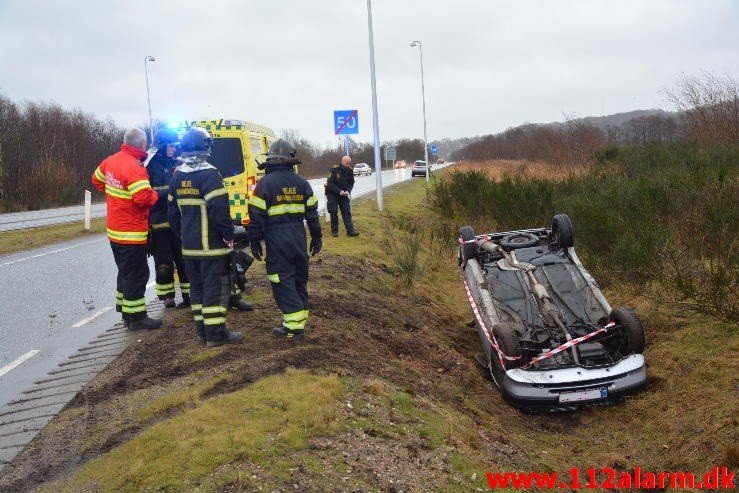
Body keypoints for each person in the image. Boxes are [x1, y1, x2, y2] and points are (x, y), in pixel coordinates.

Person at [167, 127, 244, 347]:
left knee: (197, 289)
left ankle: (202, 331)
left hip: (189, 248)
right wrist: (227, 235)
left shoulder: (177, 177)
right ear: (207, 147)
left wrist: (182, 235)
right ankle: (216, 334)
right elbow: (219, 209)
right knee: (215, 289)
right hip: (212, 247)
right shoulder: (210, 176)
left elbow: (172, 213)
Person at [247, 139, 322, 339]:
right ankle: (298, 320)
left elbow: (255, 217)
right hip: (298, 237)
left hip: (276, 239)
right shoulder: (302, 183)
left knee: (281, 280)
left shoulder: (264, 185)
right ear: (291, 160)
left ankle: (294, 327)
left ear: (270, 159)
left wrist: (254, 241)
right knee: (299, 279)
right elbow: (313, 214)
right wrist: (317, 237)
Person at [91, 128, 162, 331]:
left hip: (115, 230)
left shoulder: (111, 160)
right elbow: (143, 198)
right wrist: (156, 196)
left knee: (125, 272)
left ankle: (126, 312)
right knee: (137, 275)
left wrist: (116, 196)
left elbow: (96, 179)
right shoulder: (134, 167)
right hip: (131, 231)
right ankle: (137, 318)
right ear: (142, 144)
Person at [147, 128, 190, 309]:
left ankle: (189, 295)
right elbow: (147, 194)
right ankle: (167, 296)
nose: (174, 149)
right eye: (171, 146)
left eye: (175, 146)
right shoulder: (148, 165)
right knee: (163, 262)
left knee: (184, 259)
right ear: (163, 146)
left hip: (178, 221)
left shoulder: (177, 163)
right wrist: (171, 192)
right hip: (159, 222)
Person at [326, 155, 359, 237]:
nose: (348, 165)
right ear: (342, 161)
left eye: (349, 163)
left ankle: (350, 231)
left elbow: (351, 182)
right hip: (333, 193)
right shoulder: (334, 169)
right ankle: (335, 231)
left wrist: (348, 190)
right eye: (346, 163)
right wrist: (339, 191)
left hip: (344, 194)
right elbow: (330, 183)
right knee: (333, 212)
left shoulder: (350, 170)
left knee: (346, 212)